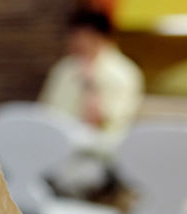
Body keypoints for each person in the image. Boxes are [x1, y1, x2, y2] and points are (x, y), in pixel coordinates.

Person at [39, 9, 143, 142]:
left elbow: (99, 122)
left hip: (100, 152)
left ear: (101, 38)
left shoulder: (123, 73)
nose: (76, 41)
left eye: (84, 35)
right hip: (55, 143)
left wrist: (89, 82)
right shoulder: (65, 67)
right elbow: (45, 112)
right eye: (73, 35)